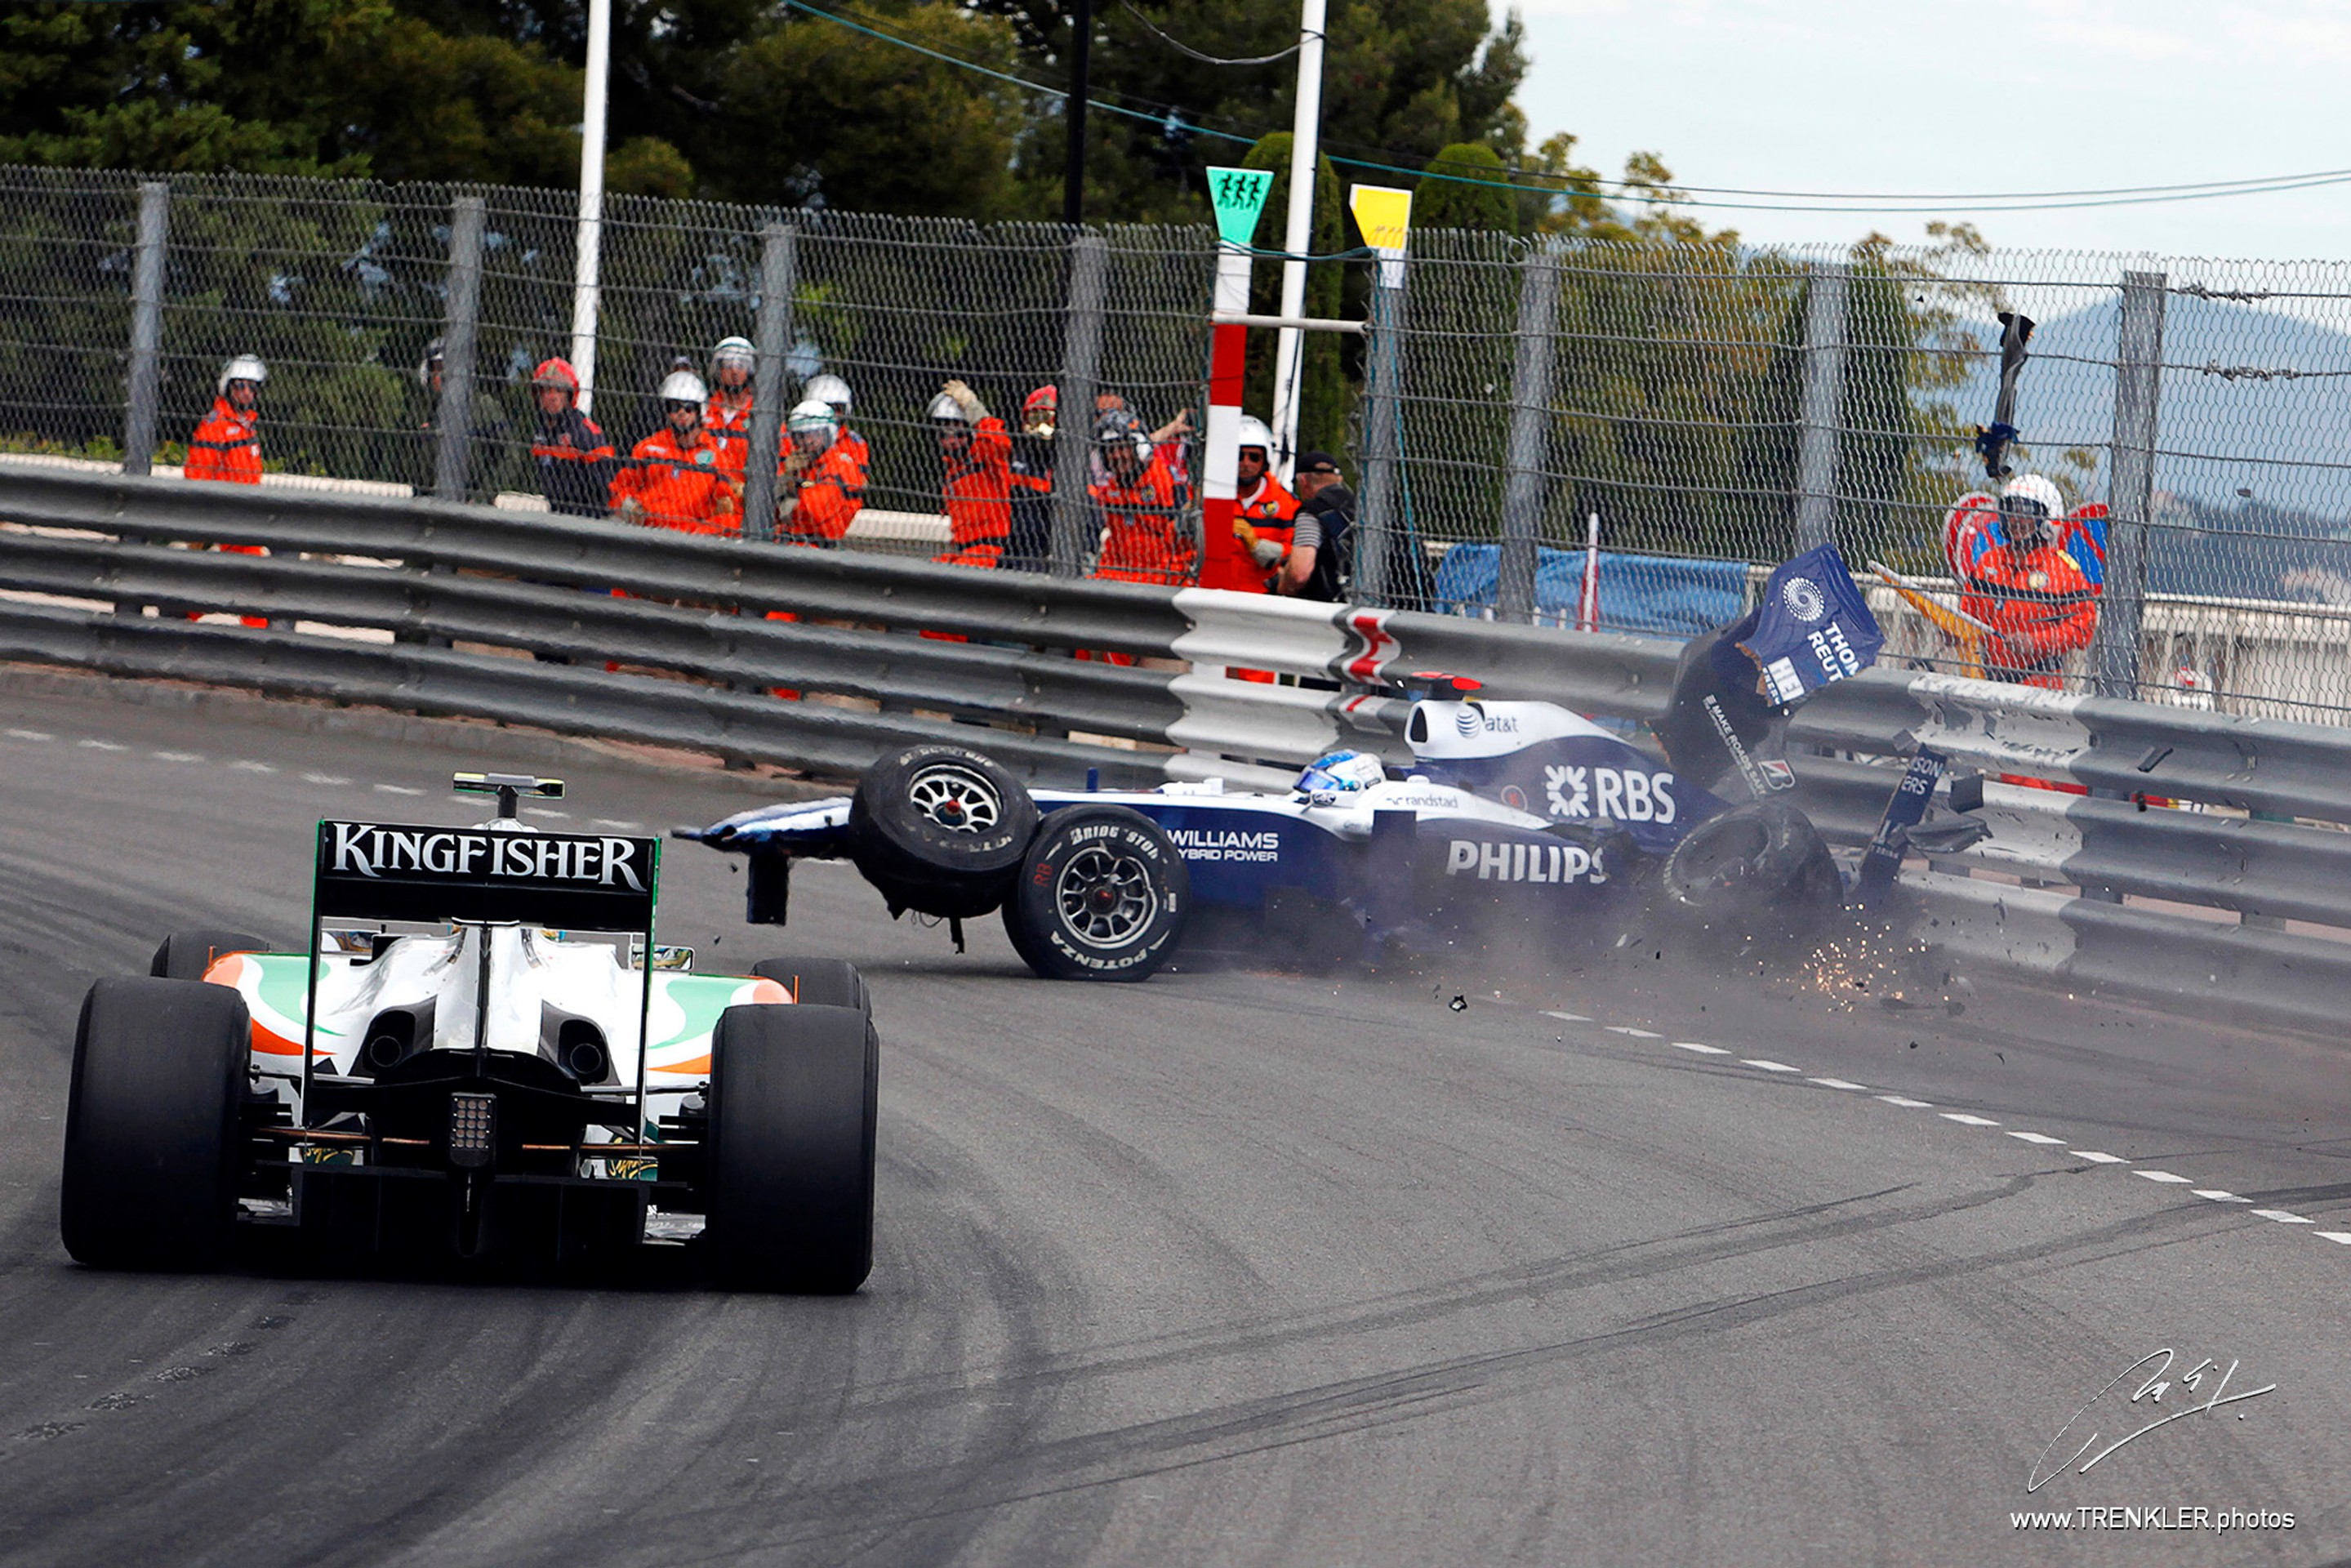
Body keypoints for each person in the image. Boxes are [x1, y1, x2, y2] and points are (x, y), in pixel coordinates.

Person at [1957, 474, 2098, 689]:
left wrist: (2037, 642)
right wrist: (1952, 631)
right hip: (1986, 679)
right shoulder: (1989, 562)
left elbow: (2083, 629)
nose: (2016, 520)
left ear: (2048, 518)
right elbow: (1967, 614)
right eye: (2011, 511)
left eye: (2026, 513)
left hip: (2038, 683)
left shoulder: (2063, 572)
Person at [608, 369, 740, 536]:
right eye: (674, 407)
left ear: (701, 410)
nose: (681, 413)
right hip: (647, 534)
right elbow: (619, 487)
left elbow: (730, 513)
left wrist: (703, 534)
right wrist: (630, 507)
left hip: (690, 541)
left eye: (689, 407)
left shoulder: (716, 458)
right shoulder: (648, 448)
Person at [1089, 408, 1191, 585]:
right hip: (1119, 576)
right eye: (1110, 450)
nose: (1116, 456)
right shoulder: (1113, 488)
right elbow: (1115, 547)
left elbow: (1184, 548)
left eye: (1122, 448)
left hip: (1162, 578)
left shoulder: (1167, 483)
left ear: (1139, 446)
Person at [1201, 413, 1296, 593]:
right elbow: (1176, 538)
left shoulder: (1285, 504)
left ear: (1265, 461)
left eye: (1254, 457)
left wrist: (1258, 547)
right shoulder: (1210, 495)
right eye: (1239, 456)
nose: (1246, 464)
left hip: (1260, 598)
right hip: (1212, 592)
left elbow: (1295, 554)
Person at [929, 379, 1012, 569]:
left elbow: (998, 443)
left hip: (992, 549)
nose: (951, 441)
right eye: (944, 435)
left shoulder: (985, 456)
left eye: (958, 434)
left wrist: (973, 408)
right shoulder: (952, 471)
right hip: (965, 551)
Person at [416, 336, 516, 494]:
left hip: (474, 500)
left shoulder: (484, 407)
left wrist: (483, 495)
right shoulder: (429, 412)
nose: (443, 375)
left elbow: (510, 458)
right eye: (438, 368)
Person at [527, 358, 619, 517]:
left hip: (587, 515)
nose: (553, 397)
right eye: (547, 390)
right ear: (539, 395)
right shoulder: (540, 431)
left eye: (559, 390)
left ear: (570, 395)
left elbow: (605, 487)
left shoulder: (586, 432)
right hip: (556, 512)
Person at [778, 399, 866, 545]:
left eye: (815, 434)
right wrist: (788, 478)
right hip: (793, 542)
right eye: (802, 436)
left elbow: (811, 512)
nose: (808, 441)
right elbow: (768, 505)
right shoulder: (803, 466)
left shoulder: (840, 465)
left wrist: (788, 499)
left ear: (828, 433)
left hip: (820, 547)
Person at [1279, 451, 1356, 602]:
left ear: (1303, 482)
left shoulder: (1311, 513)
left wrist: (1284, 583)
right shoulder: (1364, 507)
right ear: (1339, 479)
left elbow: (1299, 574)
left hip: (1327, 605)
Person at [185, 355, 265, 484]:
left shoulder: (246, 423)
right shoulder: (215, 425)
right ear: (229, 387)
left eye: (252, 386)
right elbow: (197, 476)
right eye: (240, 385)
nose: (246, 392)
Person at [1004, 385, 1058, 572]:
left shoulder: (1066, 465)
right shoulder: (1017, 458)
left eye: (1047, 419)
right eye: (1034, 419)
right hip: (1011, 546)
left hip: (1044, 551)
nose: (1040, 428)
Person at [702, 335, 759, 472]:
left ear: (749, 370)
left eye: (741, 365)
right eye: (728, 365)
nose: (734, 372)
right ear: (718, 370)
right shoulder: (703, 410)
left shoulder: (761, 414)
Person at [802, 372, 866, 470]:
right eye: (826, 407)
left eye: (837, 408)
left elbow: (861, 481)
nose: (832, 414)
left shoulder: (854, 443)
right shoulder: (792, 439)